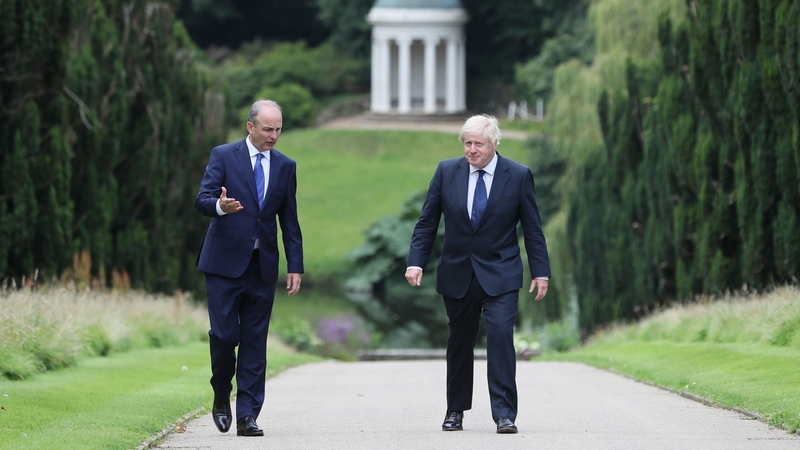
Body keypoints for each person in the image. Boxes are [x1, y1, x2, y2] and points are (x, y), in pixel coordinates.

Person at [405, 114, 550, 434]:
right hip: (458, 272)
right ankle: (455, 410)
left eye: (478, 144)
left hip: (501, 271)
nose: (471, 150)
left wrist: (541, 272)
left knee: (500, 338)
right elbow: (427, 222)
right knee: (459, 342)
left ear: (494, 143)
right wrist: (415, 262)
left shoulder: (518, 175)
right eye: (467, 143)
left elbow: (533, 229)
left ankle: (504, 414)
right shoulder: (446, 171)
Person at [195, 99, 304, 437]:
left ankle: (247, 416)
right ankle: (220, 393)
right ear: (250, 127)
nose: (273, 136)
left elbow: (289, 220)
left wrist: (295, 265)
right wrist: (221, 206)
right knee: (226, 336)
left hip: (262, 267)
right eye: (268, 129)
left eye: (278, 130)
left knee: (255, 342)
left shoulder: (286, 166)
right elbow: (202, 200)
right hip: (223, 264)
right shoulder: (224, 156)